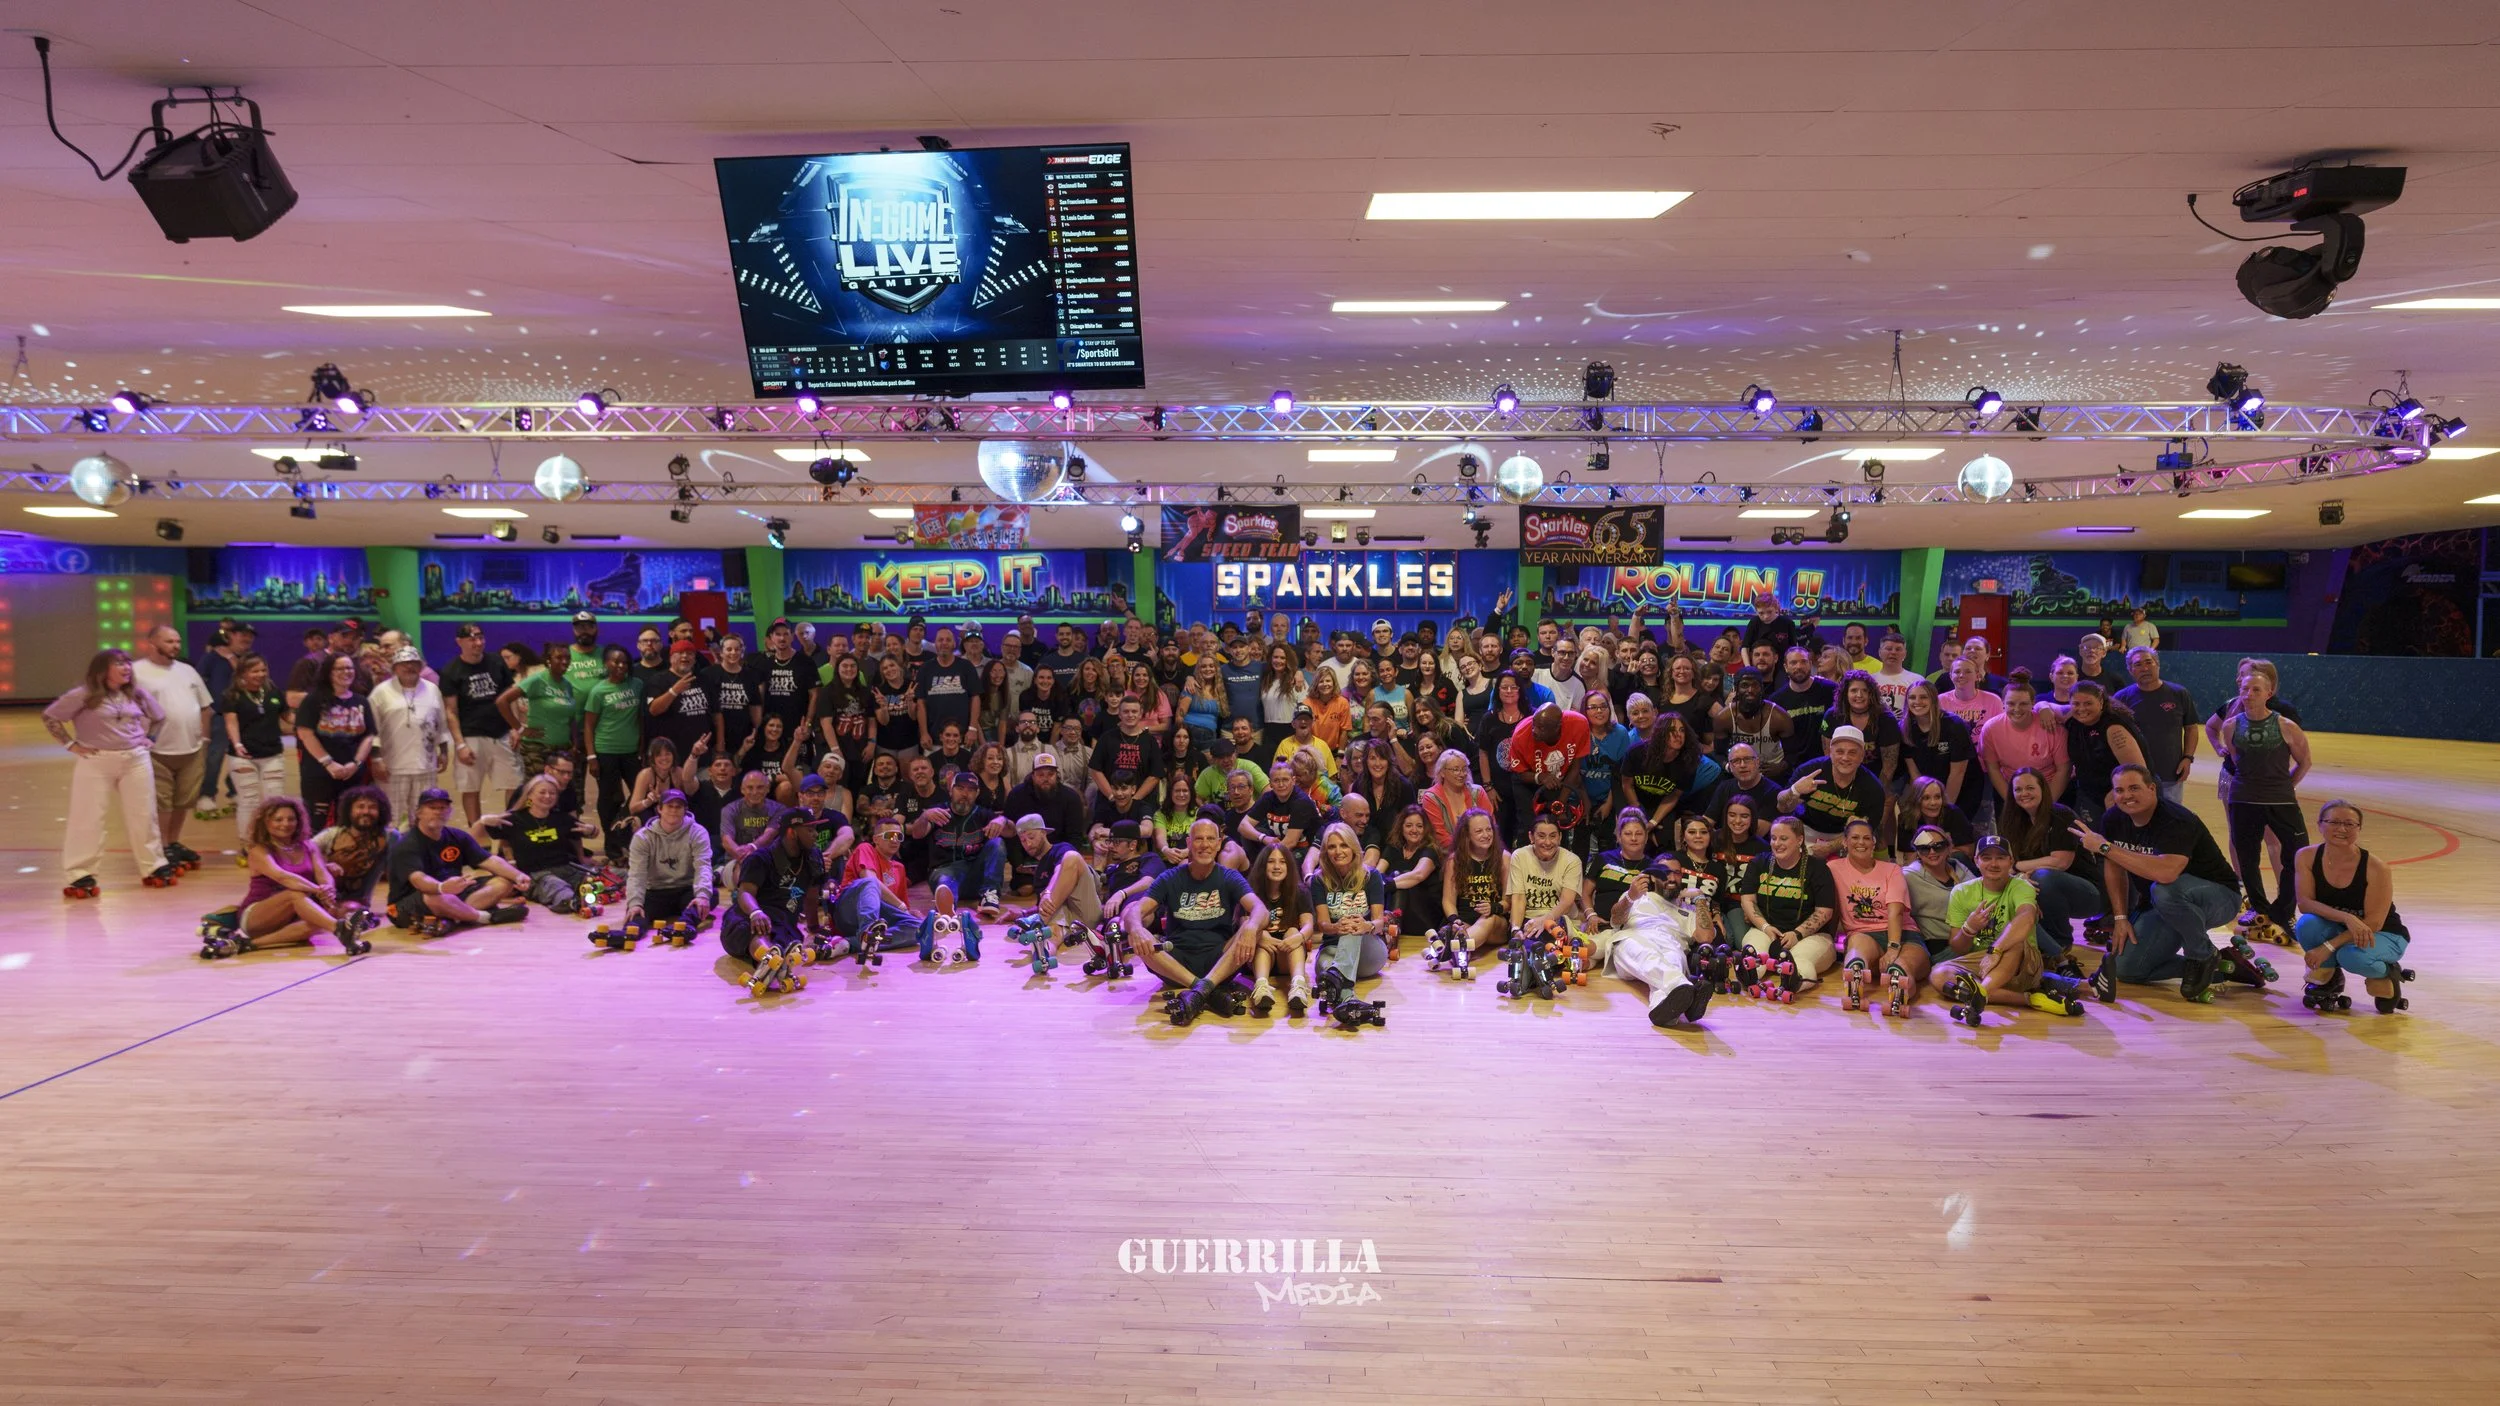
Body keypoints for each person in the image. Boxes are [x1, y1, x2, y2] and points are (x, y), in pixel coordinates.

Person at [2070, 763, 2248, 1002]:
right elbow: (2114, 867)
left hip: (2218, 897)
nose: (2126, 796)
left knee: (2164, 889)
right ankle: (2222, 967)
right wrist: (2121, 918)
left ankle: (2202, 954)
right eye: (2119, 790)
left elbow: (2166, 874)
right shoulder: (2114, 818)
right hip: (2164, 904)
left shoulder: (2176, 819)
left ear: (2152, 788)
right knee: (2127, 969)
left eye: (2134, 788)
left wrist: (2105, 846)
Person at [46, 649, 176, 894]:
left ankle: (153, 865)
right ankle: (80, 873)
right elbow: (51, 717)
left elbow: (159, 717)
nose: (126, 667)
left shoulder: (136, 694)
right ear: (102, 670)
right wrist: (70, 744)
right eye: (119, 663)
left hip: (135, 759)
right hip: (96, 760)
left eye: (128, 662)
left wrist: (150, 738)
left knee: (144, 815)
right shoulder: (83, 695)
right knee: (88, 817)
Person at [1929, 835, 2086, 1017]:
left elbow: (2026, 917)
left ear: (2010, 861)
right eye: (1987, 858)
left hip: (2022, 962)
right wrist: (1969, 928)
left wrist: (1996, 950)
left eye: (2001, 858)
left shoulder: (2020, 886)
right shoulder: (1961, 891)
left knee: (2015, 942)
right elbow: (1958, 947)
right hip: (1982, 962)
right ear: (1976, 861)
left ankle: (1981, 992)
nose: (1993, 864)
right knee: (1938, 974)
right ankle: (2030, 999)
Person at [1130, 817, 1267, 1024]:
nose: (1204, 845)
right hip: (1176, 960)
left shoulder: (1229, 876)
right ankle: (1206, 990)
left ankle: (1199, 991)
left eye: (1210, 839)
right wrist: (1136, 929)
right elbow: (1135, 910)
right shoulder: (1170, 877)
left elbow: (1260, 908)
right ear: (1188, 844)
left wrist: (1252, 927)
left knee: (1252, 925)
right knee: (1139, 934)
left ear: (1219, 843)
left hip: (1220, 959)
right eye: (1199, 839)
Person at [2291, 800, 2414, 1014]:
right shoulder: (2306, 856)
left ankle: (2386, 973)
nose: (2341, 829)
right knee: (2307, 924)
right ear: (2320, 825)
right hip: (2345, 927)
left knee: (2351, 956)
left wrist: (2328, 947)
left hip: (2383, 933)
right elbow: (2305, 903)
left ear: (2359, 829)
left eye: (2349, 824)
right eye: (2334, 822)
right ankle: (2329, 976)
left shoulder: (2376, 868)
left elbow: (2373, 923)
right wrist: (2347, 918)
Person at [2215, 670, 2311, 928]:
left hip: (2281, 801)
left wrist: (2283, 787)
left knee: (2296, 854)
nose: (2249, 694)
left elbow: (2305, 762)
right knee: (2247, 858)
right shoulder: (2231, 725)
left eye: (2256, 690)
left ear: (2269, 693)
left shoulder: (2286, 726)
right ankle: (2259, 908)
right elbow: (2237, 761)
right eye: (2245, 689)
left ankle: (2284, 910)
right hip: (2243, 800)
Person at [215, 795, 357, 956]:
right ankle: (340, 929)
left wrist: (328, 890)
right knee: (293, 893)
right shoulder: (259, 850)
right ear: (266, 822)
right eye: (278, 820)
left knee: (319, 918)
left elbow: (323, 873)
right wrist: (318, 890)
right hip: (257, 915)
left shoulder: (308, 846)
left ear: (298, 822)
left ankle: (248, 944)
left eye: (291, 819)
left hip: (292, 916)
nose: (285, 824)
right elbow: (284, 877)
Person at [384, 788, 527, 932]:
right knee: (435, 897)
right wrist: (441, 887)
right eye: (432, 808)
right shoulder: (407, 844)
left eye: (443, 808)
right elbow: (418, 880)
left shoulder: (458, 836)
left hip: (453, 893)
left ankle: (453, 916)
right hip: (408, 904)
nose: (438, 812)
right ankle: (487, 917)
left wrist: (518, 876)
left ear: (450, 812)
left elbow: (489, 860)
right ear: (419, 813)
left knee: (503, 882)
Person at [132, 625, 216, 870]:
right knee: (162, 803)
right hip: (156, 750)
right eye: (169, 641)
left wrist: (205, 740)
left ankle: (173, 842)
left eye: (177, 641)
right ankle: (160, 847)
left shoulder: (188, 671)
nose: (176, 646)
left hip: (191, 749)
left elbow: (206, 707)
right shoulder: (137, 672)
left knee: (183, 801)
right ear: (152, 643)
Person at [1996, 767, 2098, 964]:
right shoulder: (2013, 820)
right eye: (2018, 789)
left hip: (2088, 893)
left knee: (2043, 877)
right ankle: (2043, 946)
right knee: (2017, 885)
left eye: (2030, 788)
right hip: (2046, 888)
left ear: (2043, 789)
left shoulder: (2061, 815)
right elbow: (2007, 865)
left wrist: (2019, 867)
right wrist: (2021, 876)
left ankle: (2060, 943)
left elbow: (2060, 861)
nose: (2024, 793)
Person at [1730, 815, 1839, 991]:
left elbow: (1824, 912)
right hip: (1766, 930)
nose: (1777, 843)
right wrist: (1765, 927)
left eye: (1784, 838)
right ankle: (1747, 977)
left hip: (1810, 936)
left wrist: (1797, 934)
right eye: (1773, 838)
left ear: (1799, 840)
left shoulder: (1818, 868)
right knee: (1754, 954)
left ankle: (1792, 982)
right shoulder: (1759, 863)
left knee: (1799, 961)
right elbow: (1747, 900)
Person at [1828, 816, 1919, 1014]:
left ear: (1874, 842)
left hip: (1902, 933)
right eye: (1855, 838)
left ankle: (1899, 985)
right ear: (1844, 841)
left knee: (1903, 964)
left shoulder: (1892, 869)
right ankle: (1855, 972)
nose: (1861, 842)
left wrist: (1893, 947)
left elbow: (1895, 910)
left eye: (1867, 838)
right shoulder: (1833, 868)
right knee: (1858, 946)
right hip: (1864, 933)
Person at [480, 774, 599, 913]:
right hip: (536, 875)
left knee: (603, 878)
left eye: (552, 793)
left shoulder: (561, 818)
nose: (547, 796)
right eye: (542, 792)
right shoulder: (513, 819)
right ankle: (571, 903)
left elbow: (586, 833)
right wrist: (485, 820)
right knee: (556, 886)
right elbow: (482, 837)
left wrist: (592, 830)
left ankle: (588, 896)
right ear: (529, 795)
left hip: (566, 869)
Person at [723, 810, 828, 966]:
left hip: (783, 922)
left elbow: (811, 897)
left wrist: (813, 927)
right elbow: (745, 892)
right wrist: (755, 912)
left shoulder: (814, 857)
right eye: (810, 830)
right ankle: (769, 959)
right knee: (759, 930)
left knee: (786, 940)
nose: (815, 834)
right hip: (749, 916)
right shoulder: (760, 858)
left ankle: (774, 960)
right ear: (792, 832)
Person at [440, 624, 517, 828]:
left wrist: (515, 727)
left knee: (514, 784)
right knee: (471, 788)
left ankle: (507, 836)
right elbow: (451, 711)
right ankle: (477, 837)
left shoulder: (497, 662)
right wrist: (460, 745)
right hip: (470, 737)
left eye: (480, 637)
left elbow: (510, 697)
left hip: (501, 734)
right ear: (460, 642)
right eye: (472, 639)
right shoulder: (450, 671)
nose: (478, 643)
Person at [216, 652, 293, 853]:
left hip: (272, 754)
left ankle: (275, 842)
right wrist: (238, 744)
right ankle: (248, 844)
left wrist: (306, 723)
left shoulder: (274, 692)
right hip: (243, 757)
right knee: (248, 801)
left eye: (263, 670)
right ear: (243, 673)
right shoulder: (232, 696)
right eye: (255, 671)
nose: (260, 674)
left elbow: (287, 716)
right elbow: (231, 722)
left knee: (275, 800)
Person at [1778, 725, 1891, 860]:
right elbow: (1782, 807)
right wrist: (1795, 790)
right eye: (1839, 751)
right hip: (1806, 830)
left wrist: (1831, 847)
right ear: (1830, 753)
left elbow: (1865, 831)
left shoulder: (1872, 788)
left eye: (1852, 753)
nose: (1845, 757)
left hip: (1844, 836)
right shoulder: (1810, 771)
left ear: (1862, 756)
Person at [296, 653, 376, 831]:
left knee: (349, 822)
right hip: (319, 774)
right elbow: (305, 733)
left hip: (352, 773)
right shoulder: (313, 700)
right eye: (340, 668)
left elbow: (368, 736)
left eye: (349, 668)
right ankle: (316, 857)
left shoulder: (361, 701)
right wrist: (329, 764)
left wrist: (356, 764)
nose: (346, 672)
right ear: (328, 672)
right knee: (317, 824)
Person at [918, 768, 1011, 922]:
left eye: (971, 790)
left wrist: (1003, 820)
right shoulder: (938, 812)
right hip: (945, 871)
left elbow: (1011, 832)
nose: (965, 793)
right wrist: (924, 816)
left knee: (998, 842)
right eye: (960, 788)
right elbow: (917, 833)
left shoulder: (983, 814)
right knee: (945, 881)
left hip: (975, 875)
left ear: (977, 794)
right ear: (951, 790)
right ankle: (947, 909)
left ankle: (989, 895)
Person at [369, 647, 448, 824]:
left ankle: (423, 851)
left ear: (421, 667)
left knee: (426, 816)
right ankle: (393, 851)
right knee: (392, 818)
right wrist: (376, 759)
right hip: (392, 766)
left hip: (426, 765)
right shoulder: (380, 692)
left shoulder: (433, 689)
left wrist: (443, 751)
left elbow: (440, 724)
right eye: (403, 664)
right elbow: (372, 729)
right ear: (395, 668)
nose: (409, 667)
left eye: (414, 663)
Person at [1241, 842, 1318, 1015]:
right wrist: (1260, 936)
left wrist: (1298, 937)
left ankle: (1298, 986)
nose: (1277, 866)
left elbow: (1308, 925)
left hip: (1287, 953)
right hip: (1259, 956)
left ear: (1289, 866)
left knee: (1292, 931)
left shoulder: (1300, 891)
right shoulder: (1250, 891)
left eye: (1282, 862)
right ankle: (1261, 988)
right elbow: (1244, 923)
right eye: (1271, 861)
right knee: (1261, 933)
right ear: (1262, 865)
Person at [2112, 648, 2197, 805]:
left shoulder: (2179, 693)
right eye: (2137, 664)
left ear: (2157, 664)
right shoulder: (2121, 698)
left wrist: (2188, 758)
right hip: (2134, 774)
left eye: (2148, 662)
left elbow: (2191, 728)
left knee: (2170, 819)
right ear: (2130, 670)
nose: (2144, 668)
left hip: (2170, 773)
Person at [1977, 671, 2068, 819]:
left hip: (2049, 791)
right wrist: (2013, 802)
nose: (2017, 709)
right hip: (2011, 792)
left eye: (2024, 704)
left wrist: (2046, 805)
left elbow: (2063, 769)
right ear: (2003, 703)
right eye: (2011, 703)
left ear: (2033, 703)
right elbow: (1993, 769)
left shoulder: (2051, 727)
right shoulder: (1991, 729)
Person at [2058, 682, 2146, 818]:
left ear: (2100, 702)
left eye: (2088, 703)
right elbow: (2047, 706)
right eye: (2076, 704)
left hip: (2122, 795)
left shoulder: (2113, 727)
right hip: (2089, 795)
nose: (2081, 708)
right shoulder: (2073, 722)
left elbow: (2138, 770)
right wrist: (2043, 707)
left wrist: (2114, 796)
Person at [1899, 681, 1979, 819]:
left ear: (1933, 699)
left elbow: (1957, 773)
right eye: (1912, 697)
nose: (1917, 701)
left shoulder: (1954, 725)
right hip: (1930, 790)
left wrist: (1945, 809)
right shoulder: (1905, 727)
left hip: (1963, 788)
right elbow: (1915, 774)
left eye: (1923, 697)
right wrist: (1928, 803)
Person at [1440, 808, 1511, 959]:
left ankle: (1458, 948)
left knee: (1488, 919)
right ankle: (1462, 950)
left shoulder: (1504, 858)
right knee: (1458, 928)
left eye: (1488, 829)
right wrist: (1455, 920)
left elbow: (1509, 902)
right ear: (1467, 835)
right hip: (1465, 921)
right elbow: (1448, 900)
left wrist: (1493, 907)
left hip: (1495, 924)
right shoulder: (1455, 860)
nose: (1486, 835)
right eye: (1479, 831)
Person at [312, 784, 394, 910]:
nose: (366, 812)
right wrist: (324, 865)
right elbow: (303, 852)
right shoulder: (332, 835)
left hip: (356, 903)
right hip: (323, 895)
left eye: (372, 807)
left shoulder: (389, 838)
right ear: (349, 810)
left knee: (350, 909)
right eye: (360, 807)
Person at [1507, 814, 1586, 943]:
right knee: (1524, 946)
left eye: (1553, 836)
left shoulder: (1572, 861)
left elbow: (1566, 902)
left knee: (1547, 946)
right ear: (1531, 837)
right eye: (1541, 836)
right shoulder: (1519, 856)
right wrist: (1515, 930)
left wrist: (1544, 921)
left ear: (1560, 837)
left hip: (1559, 919)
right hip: (1529, 921)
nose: (1548, 842)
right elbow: (1519, 898)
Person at [1901, 823, 1978, 950]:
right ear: (1918, 853)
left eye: (1938, 846)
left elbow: (1981, 893)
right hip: (1939, 944)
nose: (1932, 852)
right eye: (1924, 848)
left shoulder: (1959, 867)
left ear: (1949, 848)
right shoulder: (1908, 876)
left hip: (1973, 936)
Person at [1001, 749, 1089, 849]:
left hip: (1058, 852)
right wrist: (1017, 863)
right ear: (1033, 776)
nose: (1046, 779)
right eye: (1041, 775)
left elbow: (1074, 837)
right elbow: (1011, 833)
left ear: (1057, 775)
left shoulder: (1071, 797)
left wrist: (1065, 859)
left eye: (1050, 774)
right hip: (1024, 851)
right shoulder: (1017, 795)